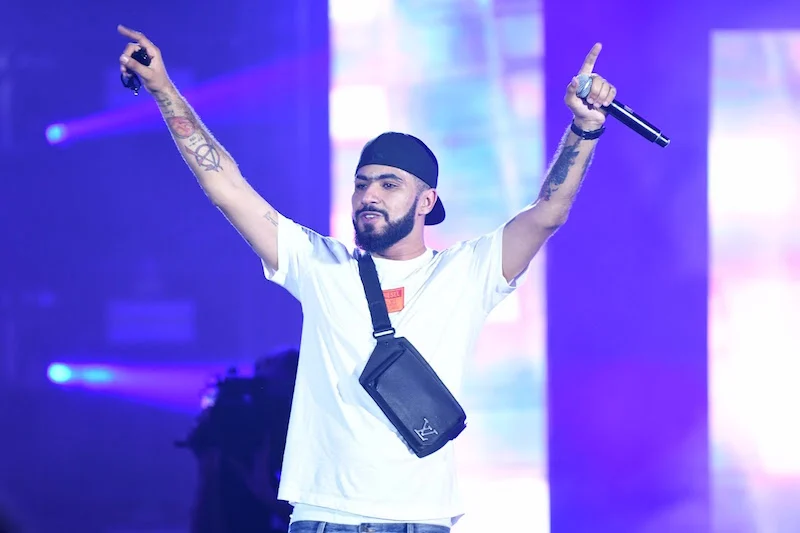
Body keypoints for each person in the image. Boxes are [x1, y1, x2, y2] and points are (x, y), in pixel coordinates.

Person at [116, 24, 616, 533]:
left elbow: (548, 212)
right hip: (324, 518)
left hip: (419, 520)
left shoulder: (467, 271)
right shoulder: (319, 264)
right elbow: (227, 186)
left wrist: (584, 128)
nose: (369, 195)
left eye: (389, 184)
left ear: (426, 202)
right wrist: (164, 89)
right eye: (361, 184)